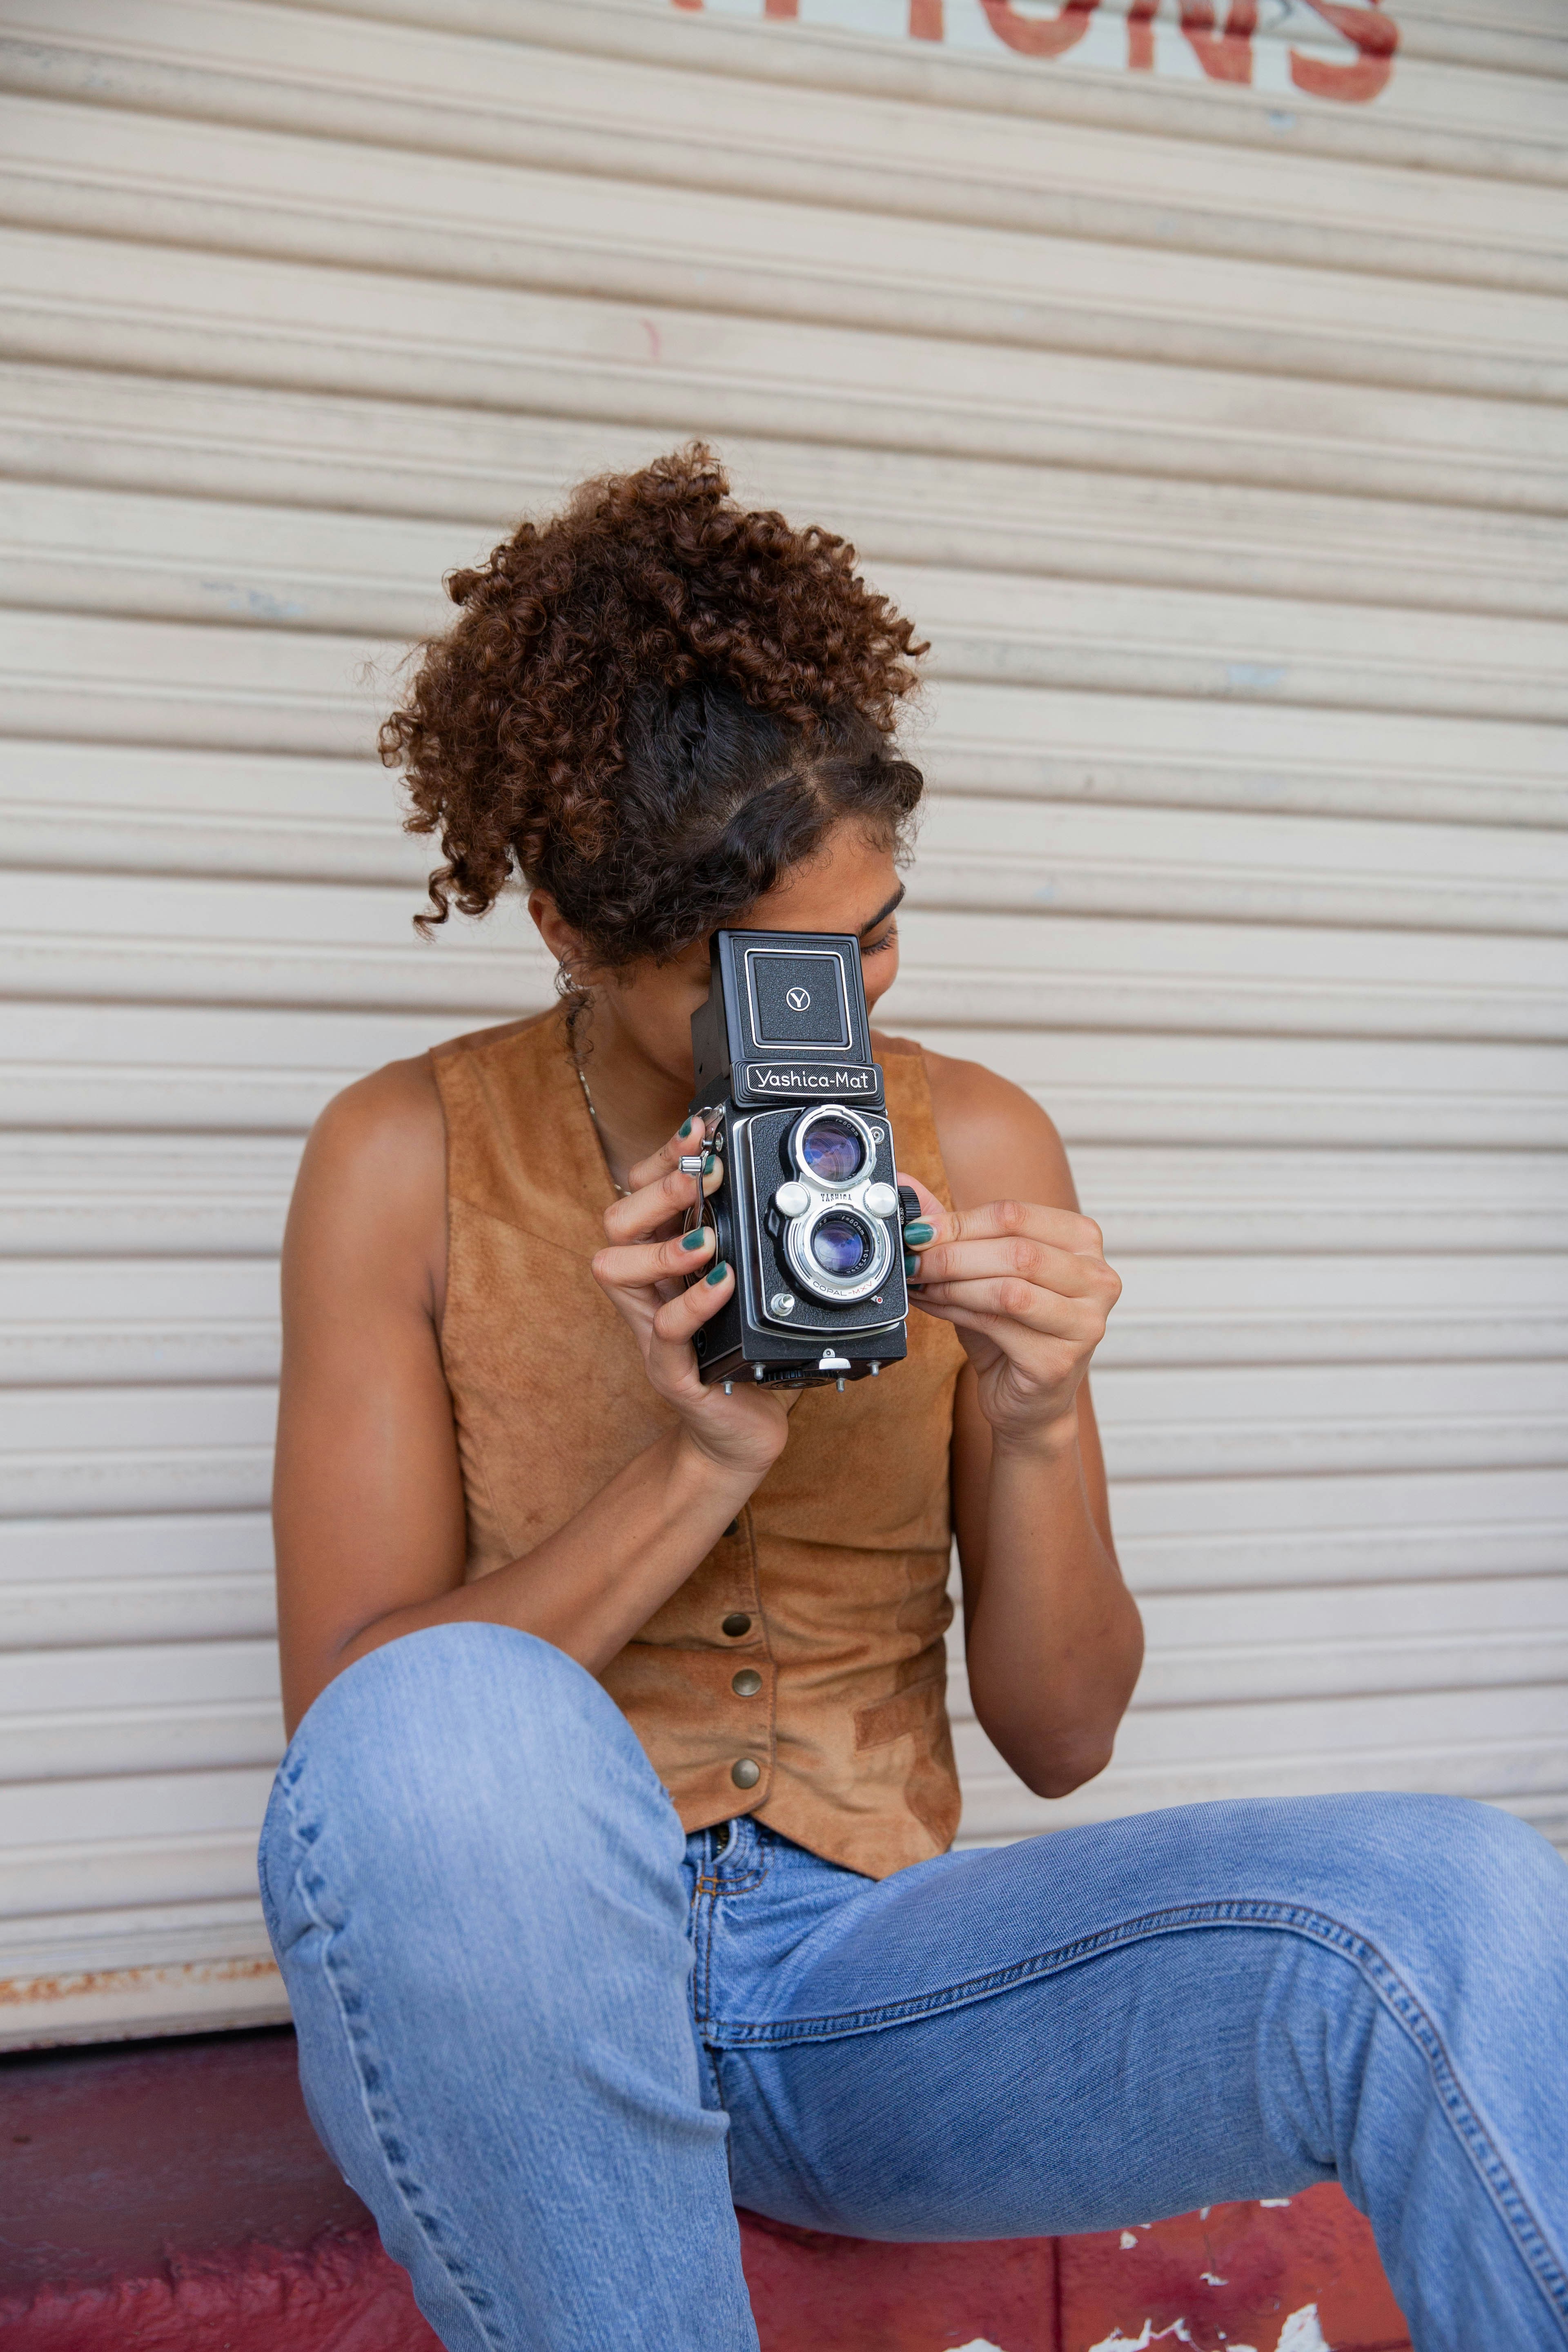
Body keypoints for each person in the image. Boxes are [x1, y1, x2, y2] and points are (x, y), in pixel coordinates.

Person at [261, 446, 1568, 2352]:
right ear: (562, 921)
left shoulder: (984, 1135)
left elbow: (1063, 1732)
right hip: (526, 1981)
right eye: (765, 979)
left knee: (1459, 1900)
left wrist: (1036, 1414)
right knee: (447, 1732)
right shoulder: (402, 1159)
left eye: (872, 942)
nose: (839, 1023)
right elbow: (360, 1756)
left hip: (869, 1983)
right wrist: (699, 1458)